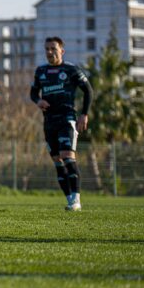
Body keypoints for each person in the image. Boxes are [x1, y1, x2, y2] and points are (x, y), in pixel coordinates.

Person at [30, 36, 92, 211]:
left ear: (61, 51)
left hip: (67, 119)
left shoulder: (71, 69)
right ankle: (70, 199)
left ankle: (76, 200)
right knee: (57, 161)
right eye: (47, 49)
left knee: (67, 156)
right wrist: (38, 101)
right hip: (49, 122)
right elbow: (33, 92)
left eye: (53, 49)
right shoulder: (40, 71)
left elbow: (88, 90)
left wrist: (84, 114)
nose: (49, 52)